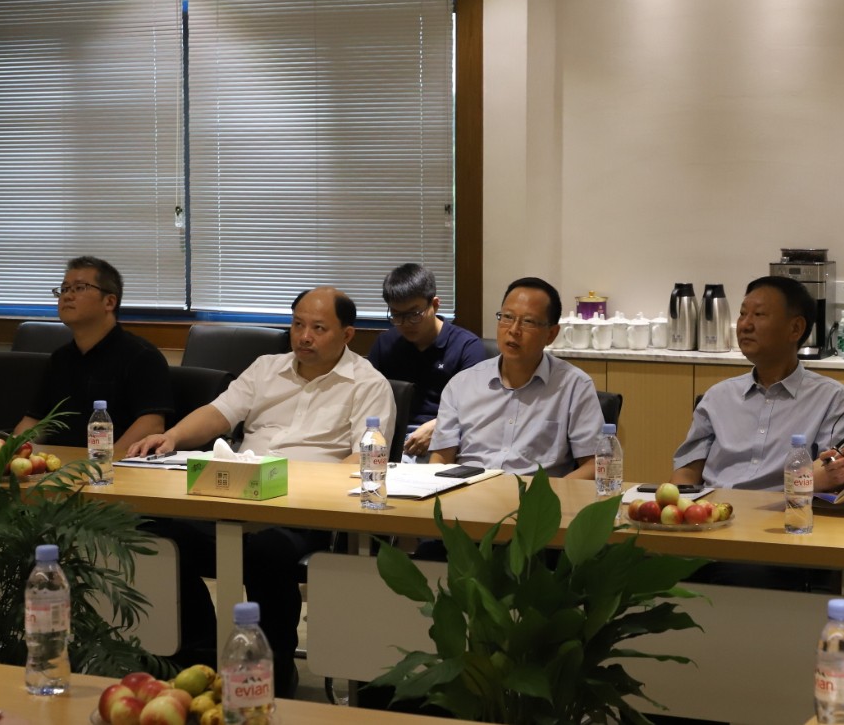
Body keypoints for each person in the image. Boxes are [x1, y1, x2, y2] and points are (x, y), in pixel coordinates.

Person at [127, 286, 394, 698]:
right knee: (155, 533)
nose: (304, 336)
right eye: (298, 325)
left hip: (306, 514)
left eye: (318, 328)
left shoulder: (368, 383)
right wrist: (173, 437)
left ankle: (272, 669)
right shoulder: (266, 368)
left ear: (347, 334)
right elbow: (219, 413)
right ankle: (199, 652)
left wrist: (298, 487)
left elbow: (364, 459)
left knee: (268, 552)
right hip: (238, 497)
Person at [671, 275, 844, 492]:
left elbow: (832, 472)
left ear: (795, 328)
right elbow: (687, 471)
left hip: (787, 508)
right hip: (715, 507)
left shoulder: (833, 400)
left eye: (758, 315)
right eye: (742, 314)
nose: (745, 325)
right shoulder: (718, 396)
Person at [429, 277, 599, 478]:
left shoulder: (575, 386)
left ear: (551, 334)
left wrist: (548, 494)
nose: (513, 330)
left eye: (528, 322)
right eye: (507, 317)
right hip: (469, 491)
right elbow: (440, 459)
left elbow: (594, 465)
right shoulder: (461, 384)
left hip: (534, 495)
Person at [16, 256, 172, 453]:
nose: (67, 296)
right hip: (59, 465)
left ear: (109, 302)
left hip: (113, 465)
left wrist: (106, 462)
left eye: (79, 288)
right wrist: (12, 454)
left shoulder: (142, 356)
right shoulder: (59, 359)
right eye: (64, 289)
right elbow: (34, 421)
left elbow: (151, 424)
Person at [367, 264, 488, 460]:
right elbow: (369, 397)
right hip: (392, 437)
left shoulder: (466, 346)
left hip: (447, 440)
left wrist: (439, 427)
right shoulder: (385, 343)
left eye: (414, 314)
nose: (405, 323)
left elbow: (478, 408)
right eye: (397, 315)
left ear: (435, 304)